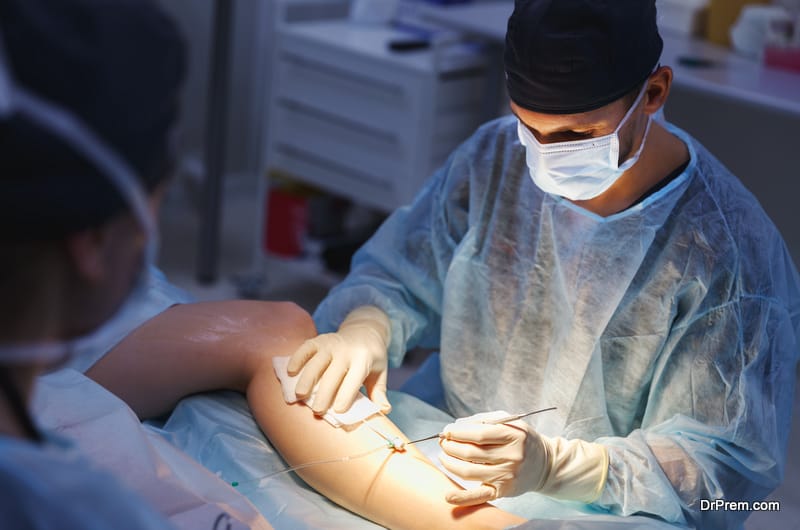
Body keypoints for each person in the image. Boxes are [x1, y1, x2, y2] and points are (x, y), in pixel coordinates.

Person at [0, 1, 532, 529]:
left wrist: (368, 325)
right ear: (91, 243)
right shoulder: (65, 506)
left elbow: (267, 333)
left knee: (280, 332)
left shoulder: (39, 395)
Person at [286, 1, 800, 528]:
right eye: (530, 130)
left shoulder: (730, 258)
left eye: (578, 136)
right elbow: (402, 271)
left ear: (653, 93)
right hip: (450, 455)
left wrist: (564, 468)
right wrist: (367, 325)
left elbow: (729, 487)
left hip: (618, 509)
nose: (547, 156)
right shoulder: (494, 160)